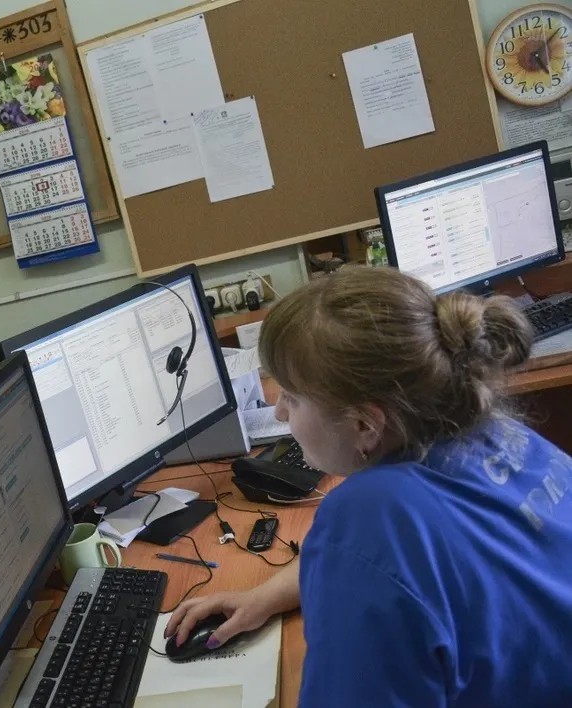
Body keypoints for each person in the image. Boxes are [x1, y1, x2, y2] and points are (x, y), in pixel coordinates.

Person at [165, 267, 572, 706]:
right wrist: (266, 595)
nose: (280, 414)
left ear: (364, 424)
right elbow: (402, 566)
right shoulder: (491, 430)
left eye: (292, 397)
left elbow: (376, 556)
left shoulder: (370, 514)